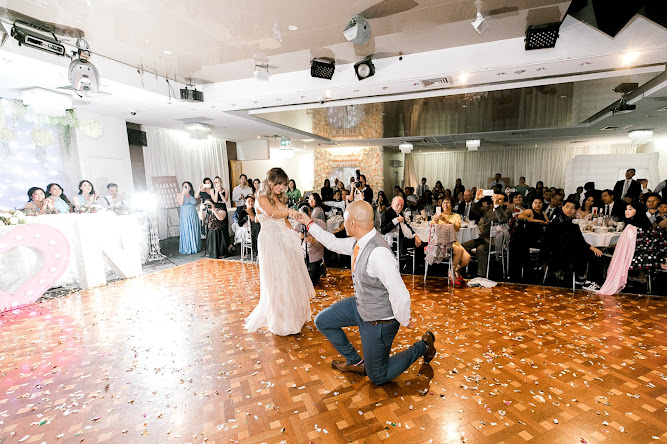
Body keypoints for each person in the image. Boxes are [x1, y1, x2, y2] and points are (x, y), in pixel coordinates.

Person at [296, 201, 436, 385]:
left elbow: (399, 292)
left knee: (378, 376)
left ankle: (424, 346)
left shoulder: (378, 252)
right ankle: (355, 362)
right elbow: (332, 243)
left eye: (344, 220)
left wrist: (405, 318)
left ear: (353, 223)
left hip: (380, 320)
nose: (342, 225)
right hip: (361, 305)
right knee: (323, 321)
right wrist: (309, 223)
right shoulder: (360, 241)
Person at [245, 168, 313, 336]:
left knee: (290, 279)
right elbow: (272, 213)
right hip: (271, 241)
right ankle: (281, 322)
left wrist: (294, 234)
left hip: (285, 238)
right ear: (270, 182)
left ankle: (293, 319)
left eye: (284, 184)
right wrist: (290, 212)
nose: (283, 187)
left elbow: (283, 221)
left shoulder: (279, 197)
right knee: (277, 280)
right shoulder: (260, 198)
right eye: (280, 184)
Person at [595, 202, 665, 294]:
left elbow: (623, 248)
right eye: (626, 209)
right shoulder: (649, 226)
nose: (627, 211)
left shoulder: (630, 227)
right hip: (652, 257)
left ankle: (598, 280)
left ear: (638, 211)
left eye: (630, 209)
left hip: (635, 257)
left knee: (604, 253)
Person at [539, 199, 603, 287]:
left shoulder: (567, 221)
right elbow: (577, 241)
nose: (569, 210)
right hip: (559, 254)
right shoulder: (560, 222)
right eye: (567, 207)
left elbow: (577, 241)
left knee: (591, 252)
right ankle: (585, 279)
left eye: (572, 208)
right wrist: (591, 247)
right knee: (594, 254)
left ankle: (582, 278)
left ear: (576, 211)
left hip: (562, 252)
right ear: (562, 208)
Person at [461, 190, 512, 278]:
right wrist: (476, 199)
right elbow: (475, 210)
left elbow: (501, 219)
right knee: (463, 246)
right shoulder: (488, 208)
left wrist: (496, 206)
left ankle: (481, 275)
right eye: (496, 198)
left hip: (494, 241)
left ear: (505, 202)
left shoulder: (507, 212)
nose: (497, 200)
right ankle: (461, 269)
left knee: (480, 249)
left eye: (500, 199)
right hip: (482, 237)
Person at [431, 197, 471, 285]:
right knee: (459, 250)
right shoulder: (437, 215)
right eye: (443, 202)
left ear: (451, 205)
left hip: (453, 241)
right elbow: (432, 228)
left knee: (467, 258)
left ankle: (456, 269)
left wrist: (445, 220)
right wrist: (435, 222)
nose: (445, 204)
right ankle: (452, 272)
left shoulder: (456, 216)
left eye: (448, 202)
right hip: (441, 241)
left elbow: (456, 229)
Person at [380, 196, 423, 270]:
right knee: (420, 245)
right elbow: (383, 230)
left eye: (401, 205)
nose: (400, 207)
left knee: (421, 242)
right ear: (392, 204)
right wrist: (395, 220)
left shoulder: (400, 213)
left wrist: (415, 235)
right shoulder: (386, 213)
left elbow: (407, 226)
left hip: (405, 238)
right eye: (397, 204)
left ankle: (413, 266)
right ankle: (409, 265)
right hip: (396, 241)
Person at [510, 197, 548, 278]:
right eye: (535, 203)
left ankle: (538, 268)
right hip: (528, 236)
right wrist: (534, 220)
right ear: (532, 204)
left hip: (539, 237)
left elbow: (547, 222)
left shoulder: (543, 213)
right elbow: (520, 216)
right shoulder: (529, 211)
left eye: (539, 203)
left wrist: (544, 223)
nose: (537, 205)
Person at [296, 205, 327, 286]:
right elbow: (292, 243)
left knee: (311, 283)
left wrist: (314, 241)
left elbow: (326, 241)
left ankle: (321, 268)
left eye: (306, 216)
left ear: (310, 214)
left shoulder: (320, 223)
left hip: (315, 255)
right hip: (302, 255)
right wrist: (298, 238)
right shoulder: (298, 225)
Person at [178, 181, 201, 254]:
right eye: (185, 186)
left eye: (188, 186)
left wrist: (199, 189)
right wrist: (183, 192)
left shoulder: (191, 195)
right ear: (182, 187)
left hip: (193, 214)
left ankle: (195, 246)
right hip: (185, 215)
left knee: (194, 229)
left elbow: (197, 201)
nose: (187, 188)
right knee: (187, 229)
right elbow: (180, 203)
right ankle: (188, 247)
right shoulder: (179, 195)